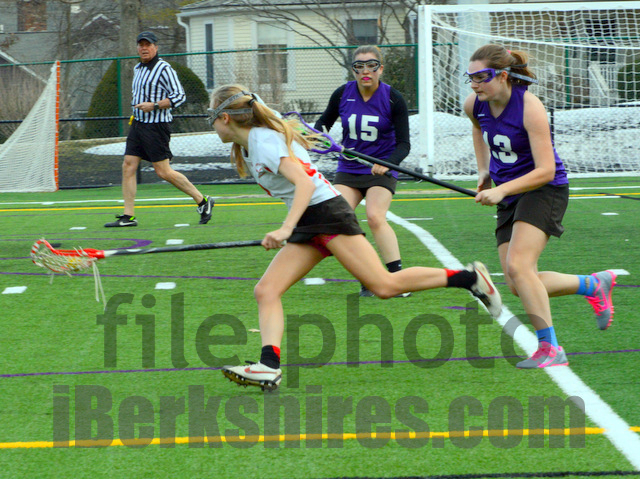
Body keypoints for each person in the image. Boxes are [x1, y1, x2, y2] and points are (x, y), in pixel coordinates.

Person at [209, 84, 502, 391]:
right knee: (266, 290)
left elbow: (305, 184)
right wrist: (293, 226)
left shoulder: (263, 140)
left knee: (384, 286)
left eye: (211, 117)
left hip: (327, 214)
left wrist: (285, 228)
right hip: (311, 220)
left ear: (225, 117)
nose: (212, 125)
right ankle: (268, 366)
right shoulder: (252, 142)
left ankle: (470, 278)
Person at [463, 44, 616, 369]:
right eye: (471, 77)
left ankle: (550, 348)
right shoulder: (474, 104)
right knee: (516, 284)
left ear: (503, 76)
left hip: (544, 189)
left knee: (520, 267)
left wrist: (502, 189)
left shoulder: (529, 107)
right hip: (509, 193)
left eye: (481, 77)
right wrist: (484, 171)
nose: (475, 84)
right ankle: (593, 285)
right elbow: (478, 129)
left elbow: (545, 170)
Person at [314, 45, 411, 298]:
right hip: (349, 167)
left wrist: (388, 163)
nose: (365, 71)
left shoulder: (393, 98)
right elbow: (323, 122)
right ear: (353, 70)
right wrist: (318, 135)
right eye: (359, 66)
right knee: (341, 218)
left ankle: (397, 279)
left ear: (381, 68)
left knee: (375, 217)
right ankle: (369, 276)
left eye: (371, 65)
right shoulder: (342, 94)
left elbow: (404, 144)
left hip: (381, 169)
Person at [105, 31, 214, 227]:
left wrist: (154, 105)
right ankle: (128, 216)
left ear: (156, 47)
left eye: (148, 45)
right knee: (128, 165)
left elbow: (179, 96)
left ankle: (202, 201)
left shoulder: (164, 69)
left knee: (163, 171)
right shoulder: (138, 68)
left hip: (156, 126)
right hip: (138, 124)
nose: (144, 48)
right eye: (141, 45)